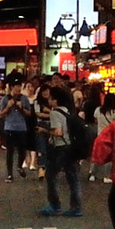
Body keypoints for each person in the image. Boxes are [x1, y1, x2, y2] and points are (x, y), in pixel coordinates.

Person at [39, 86, 82, 217]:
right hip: (71, 147)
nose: (49, 100)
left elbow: (58, 132)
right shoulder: (68, 111)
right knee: (73, 178)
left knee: (50, 175)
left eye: (51, 98)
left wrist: (44, 131)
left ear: (56, 100)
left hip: (60, 148)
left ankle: (55, 205)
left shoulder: (55, 113)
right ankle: (76, 208)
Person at [0, 80, 32, 181]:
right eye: (16, 86)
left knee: (22, 150)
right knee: (10, 151)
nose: (18, 88)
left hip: (21, 127)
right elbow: (1, 114)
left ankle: (19, 166)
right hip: (9, 127)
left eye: (20, 86)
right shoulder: (6, 98)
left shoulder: (24, 98)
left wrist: (22, 108)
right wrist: (8, 107)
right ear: (11, 87)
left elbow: (29, 113)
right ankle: (9, 174)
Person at [89, 92, 115, 183]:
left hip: (99, 136)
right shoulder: (114, 112)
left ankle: (92, 174)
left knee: (96, 156)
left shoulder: (98, 110)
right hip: (110, 137)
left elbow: (95, 120)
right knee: (108, 158)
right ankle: (106, 176)